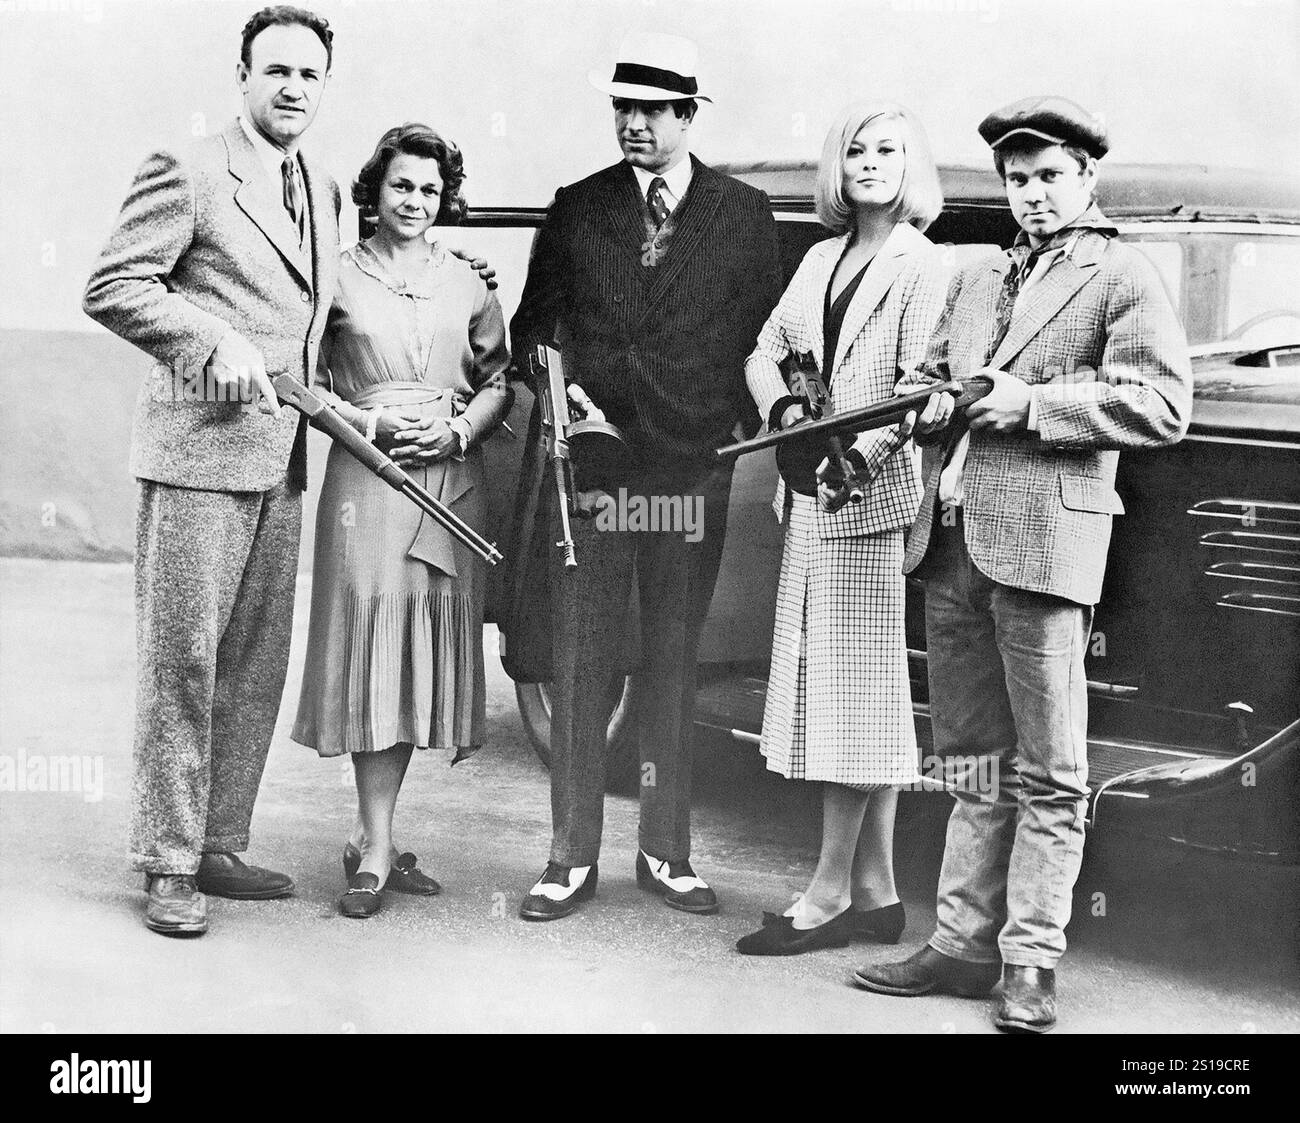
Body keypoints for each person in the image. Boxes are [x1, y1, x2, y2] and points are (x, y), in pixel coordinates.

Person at [852, 97, 1193, 1031]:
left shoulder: (1121, 272)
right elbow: (926, 379)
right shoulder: (977, 275)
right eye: (1016, 178)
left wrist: (1033, 405)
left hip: (1045, 551)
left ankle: (1031, 959)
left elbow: (1163, 404)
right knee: (971, 760)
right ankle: (960, 944)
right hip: (953, 543)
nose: (1032, 194)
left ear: (1087, 177)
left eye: (1048, 176)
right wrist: (927, 403)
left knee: (1051, 770)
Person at [507, 32, 783, 920]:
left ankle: (666, 851)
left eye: (653, 110)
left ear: (688, 115)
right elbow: (532, 329)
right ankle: (569, 857)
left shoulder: (742, 213)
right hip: (595, 470)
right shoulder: (577, 207)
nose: (633, 123)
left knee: (673, 657)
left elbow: (765, 339)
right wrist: (566, 399)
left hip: (691, 469)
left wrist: (727, 424)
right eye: (622, 107)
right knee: (583, 658)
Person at [82, 6, 341, 936]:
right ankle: (167, 861)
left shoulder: (322, 186)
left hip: (281, 459)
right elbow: (113, 285)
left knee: (255, 664)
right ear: (242, 76)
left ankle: (218, 840)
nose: (293, 88)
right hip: (196, 457)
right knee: (182, 661)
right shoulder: (188, 168)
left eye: (309, 75)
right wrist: (209, 338)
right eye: (276, 71)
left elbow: (314, 309)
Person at [734, 103, 949, 956]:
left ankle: (825, 893)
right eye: (855, 150)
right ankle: (877, 892)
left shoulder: (922, 263)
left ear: (910, 164)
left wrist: (852, 456)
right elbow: (764, 351)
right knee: (861, 693)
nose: (868, 162)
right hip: (811, 492)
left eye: (887, 149)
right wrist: (788, 412)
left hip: (867, 498)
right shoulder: (822, 257)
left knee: (852, 696)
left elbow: (916, 386)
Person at [291, 124, 511, 918]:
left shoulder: (469, 282)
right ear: (374, 192)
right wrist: (371, 424)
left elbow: (499, 380)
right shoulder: (335, 276)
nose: (416, 201)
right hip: (368, 481)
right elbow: (304, 382)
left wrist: (460, 431)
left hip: (451, 481)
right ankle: (378, 846)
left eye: (430, 189)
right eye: (402, 186)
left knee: (419, 654)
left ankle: (371, 834)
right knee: (375, 647)